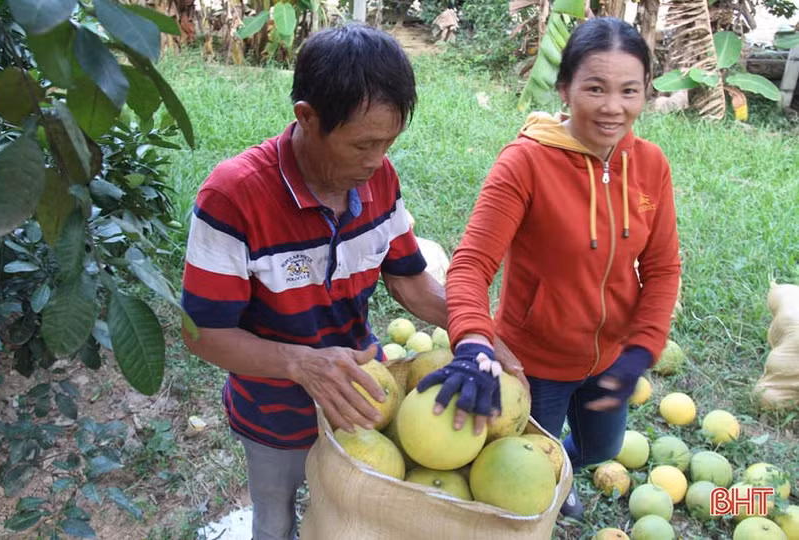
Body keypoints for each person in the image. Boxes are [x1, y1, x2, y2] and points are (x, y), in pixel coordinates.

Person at [180, 24, 521, 540]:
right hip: (274, 413)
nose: (376, 160)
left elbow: (410, 282)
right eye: (363, 144)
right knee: (274, 516)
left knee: (354, 523)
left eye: (388, 142)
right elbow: (202, 332)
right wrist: (301, 363)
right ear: (307, 118)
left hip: (367, 402)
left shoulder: (378, 179)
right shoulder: (233, 198)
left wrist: (479, 333)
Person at [418, 17, 681, 521]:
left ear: (645, 91)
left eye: (630, 90)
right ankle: (551, 484)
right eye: (595, 88)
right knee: (520, 473)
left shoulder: (651, 165)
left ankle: (564, 469)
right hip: (533, 362)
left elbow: (664, 267)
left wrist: (642, 348)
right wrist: (473, 341)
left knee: (603, 449)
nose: (613, 107)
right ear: (564, 88)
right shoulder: (525, 163)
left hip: (610, 359)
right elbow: (472, 264)